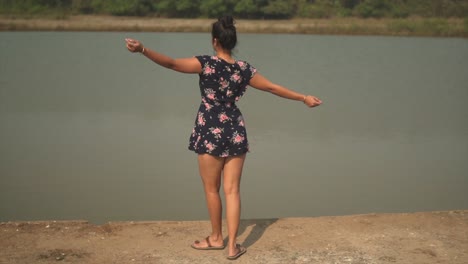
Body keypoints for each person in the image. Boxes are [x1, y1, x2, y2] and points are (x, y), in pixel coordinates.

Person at [125, 15, 322, 260]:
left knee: (211, 189)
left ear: (215, 41)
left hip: (209, 128)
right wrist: (303, 98)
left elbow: (172, 63)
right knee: (233, 191)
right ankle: (232, 247)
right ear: (232, 41)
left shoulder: (206, 63)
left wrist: (143, 49)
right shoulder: (244, 69)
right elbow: (272, 88)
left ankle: (217, 238)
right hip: (235, 128)